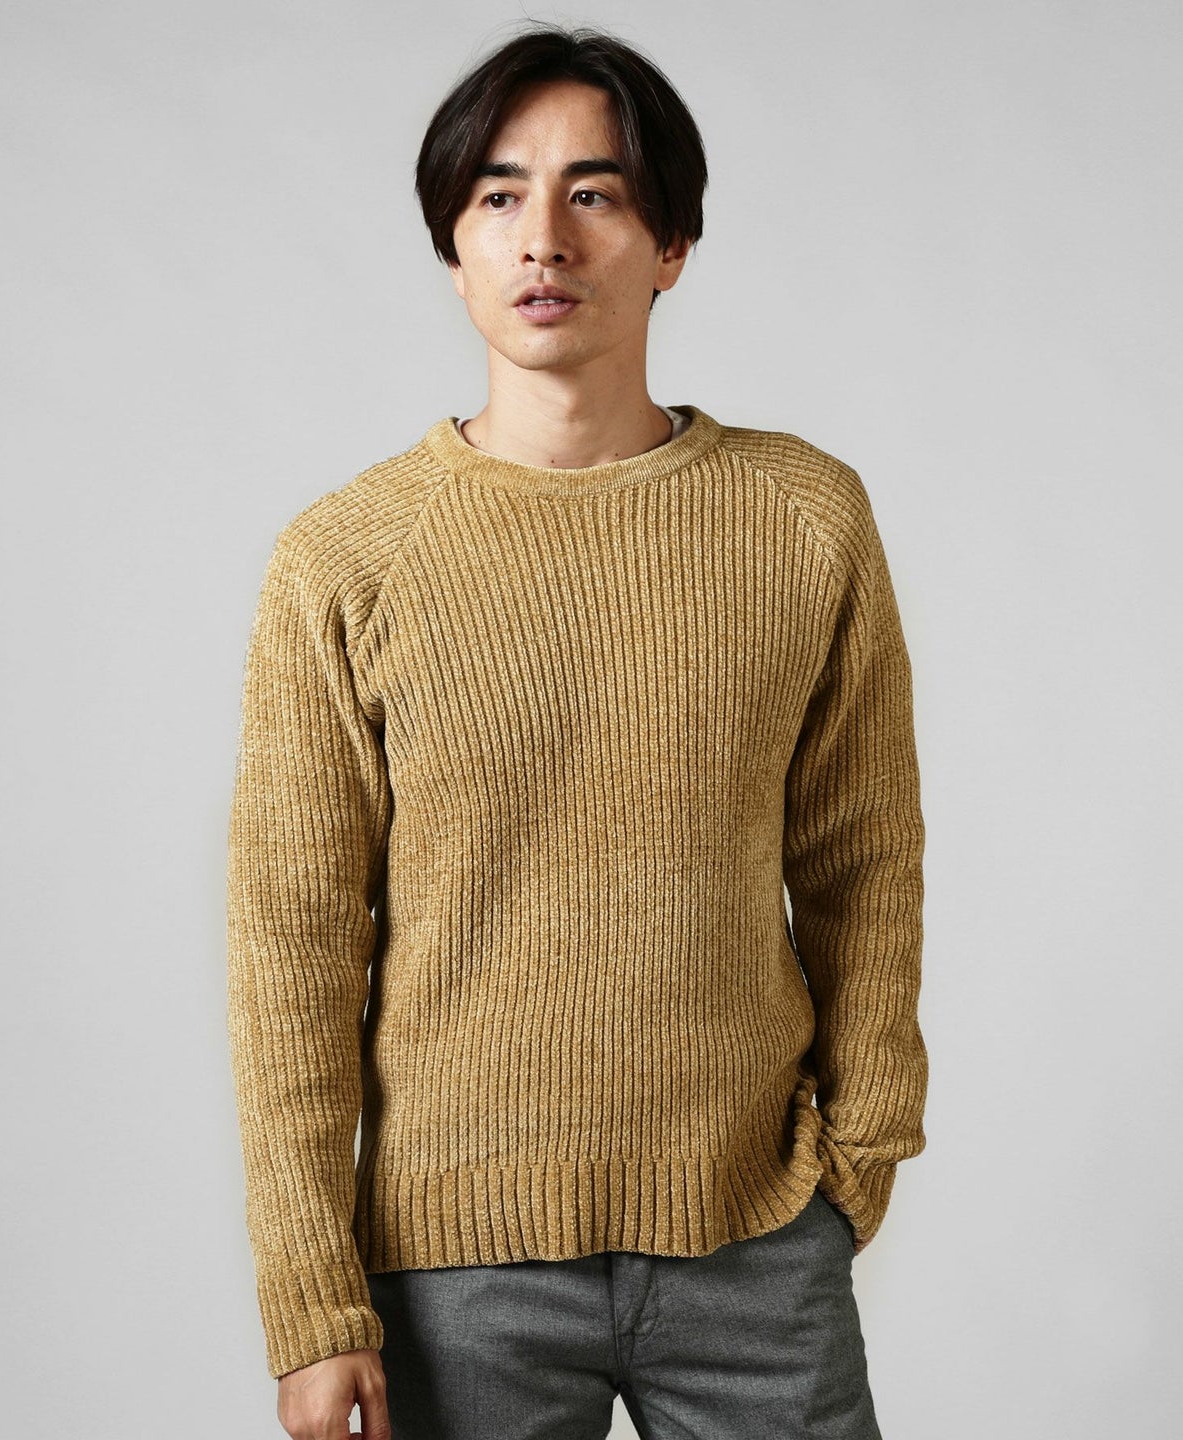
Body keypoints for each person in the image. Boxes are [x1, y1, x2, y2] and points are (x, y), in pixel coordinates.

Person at [226, 22, 928, 1440]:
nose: (542, 236)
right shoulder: (345, 557)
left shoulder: (805, 516)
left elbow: (864, 859)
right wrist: (312, 1299)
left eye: (593, 193)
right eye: (499, 195)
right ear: (454, 245)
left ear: (673, 245)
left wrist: (858, 1156)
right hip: (453, 1272)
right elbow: (292, 940)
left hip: (755, 1238)